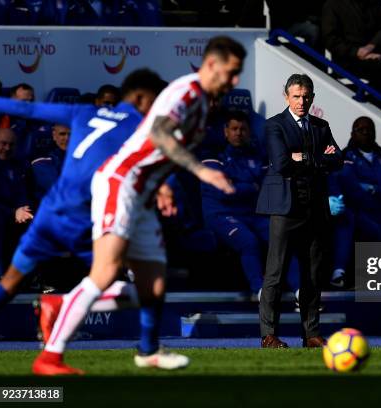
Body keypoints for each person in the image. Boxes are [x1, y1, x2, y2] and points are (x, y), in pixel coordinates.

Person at [32, 35, 246, 375]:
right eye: (231, 73)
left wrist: (161, 187)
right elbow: (161, 135)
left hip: (143, 190)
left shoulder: (205, 103)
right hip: (121, 183)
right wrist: (199, 169)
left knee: (153, 284)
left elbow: (157, 148)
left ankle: (142, 348)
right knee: (104, 273)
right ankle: (50, 357)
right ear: (210, 65)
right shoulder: (185, 92)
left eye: (239, 74)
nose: (235, 81)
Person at [0, 70, 166, 353]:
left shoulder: (83, 111)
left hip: (49, 214)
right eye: (155, 101)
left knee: (9, 284)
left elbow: (27, 108)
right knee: (143, 285)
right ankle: (147, 349)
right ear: (140, 97)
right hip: (84, 220)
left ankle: (61, 312)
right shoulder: (141, 127)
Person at [256, 73, 343, 348]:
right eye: (296, 96)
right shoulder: (274, 125)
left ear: (313, 97)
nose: (301, 102)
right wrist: (318, 159)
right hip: (285, 207)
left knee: (313, 273)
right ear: (286, 97)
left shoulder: (321, 125)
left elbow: (337, 159)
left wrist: (304, 158)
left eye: (306, 97)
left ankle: (311, 334)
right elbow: (281, 163)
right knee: (275, 272)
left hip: (315, 206)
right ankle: (268, 334)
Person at [201, 110, 299, 299]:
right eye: (234, 129)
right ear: (225, 132)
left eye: (243, 129)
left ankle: (300, 291)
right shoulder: (213, 155)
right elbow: (223, 191)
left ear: (249, 132)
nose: (238, 133)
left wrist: (240, 186)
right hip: (222, 214)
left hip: (253, 213)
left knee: (282, 240)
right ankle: (262, 291)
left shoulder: (257, 156)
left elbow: (266, 186)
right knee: (249, 242)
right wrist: (250, 186)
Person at [328, 116, 381, 288]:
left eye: (369, 129)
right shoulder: (345, 157)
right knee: (371, 230)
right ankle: (357, 278)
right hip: (359, 211)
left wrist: (375, 189)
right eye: (361, 129)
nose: (366, 132)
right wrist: (376, 190)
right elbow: (351, 189)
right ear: (353, 133)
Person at [321, 0, 381, 93]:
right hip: (346, 59)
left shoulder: (379, 5)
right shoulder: (333, 5)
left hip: (376, 52)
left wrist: (371, 46)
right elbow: (331, 40)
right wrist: (357, 52)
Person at [0, 129, 31, 278]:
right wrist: (13, 212)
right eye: (3, 144)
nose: (7, 148)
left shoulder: (20, 165)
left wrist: (24, 209)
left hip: (18, 213)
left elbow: (27, 190)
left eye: (11, 145)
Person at [31, 124, 70, 203]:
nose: (67, 138)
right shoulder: (41, 163)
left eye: (70, 134)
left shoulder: (85, 160)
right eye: (62, 134)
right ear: (54, 136)